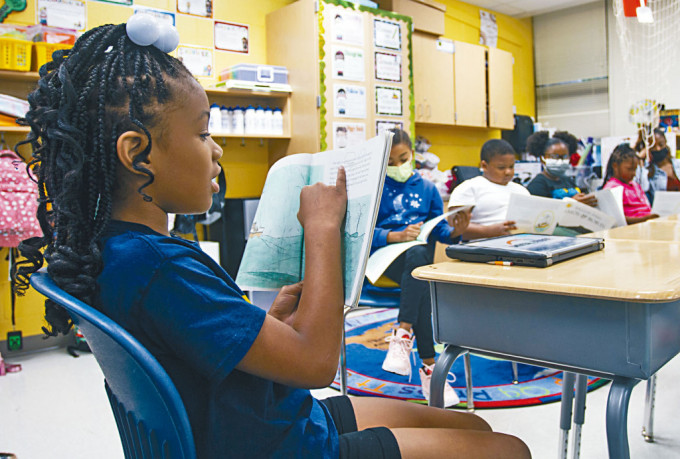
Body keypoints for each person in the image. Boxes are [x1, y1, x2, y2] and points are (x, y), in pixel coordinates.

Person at [13, 22, 530, 459]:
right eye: (202, 133)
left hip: (256, 419)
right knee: (510, 450)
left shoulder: (120, 253)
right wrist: (324, 229)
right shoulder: (156, 265)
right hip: (281, 443)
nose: (216, 151)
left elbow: (195, 341)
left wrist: (270, 324)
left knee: (475, 430)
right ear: (137, 153)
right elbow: (315, 365)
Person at [372, 129, 472, 408]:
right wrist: (395, 235)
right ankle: (430, 367)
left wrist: (455, 232)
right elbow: (363, 233)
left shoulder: (427, 188)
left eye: (402, 159)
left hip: (416, 259)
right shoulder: (376, 187)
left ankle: (403, 335)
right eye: (390, 162)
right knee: (421, 270)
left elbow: (438, 230)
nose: (397, 166)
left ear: (412, 155)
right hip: (386, 259)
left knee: (419, 260)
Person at [447, 139, 529, 240]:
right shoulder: (469, 188)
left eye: (511, 167)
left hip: (523, 246)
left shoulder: (521, 190)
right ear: (484, 166)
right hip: (485, 250)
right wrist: (488, 231)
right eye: (501, 167)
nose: (508, 172)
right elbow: (452, 229)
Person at [526, 131, 598, 207]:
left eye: (564, 157)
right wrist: (571, 203)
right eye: (554, 156)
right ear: (542, 158)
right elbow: (543, 212)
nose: (560, 161)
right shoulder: (537, 185)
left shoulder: (568, 180)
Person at [602, 144, 658, 224]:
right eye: (629, 169)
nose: (634, 174)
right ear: (615, 166)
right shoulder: (612, 188)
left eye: (635, 169)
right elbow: (617, 220)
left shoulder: (635, 185)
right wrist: (645, 219)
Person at [644, 128, 680, 203]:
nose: (658, 149)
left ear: (665, 143)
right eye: (653, 146)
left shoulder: (677, 164)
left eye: (661, 144)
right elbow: (642, 188)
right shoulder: (648, 171)